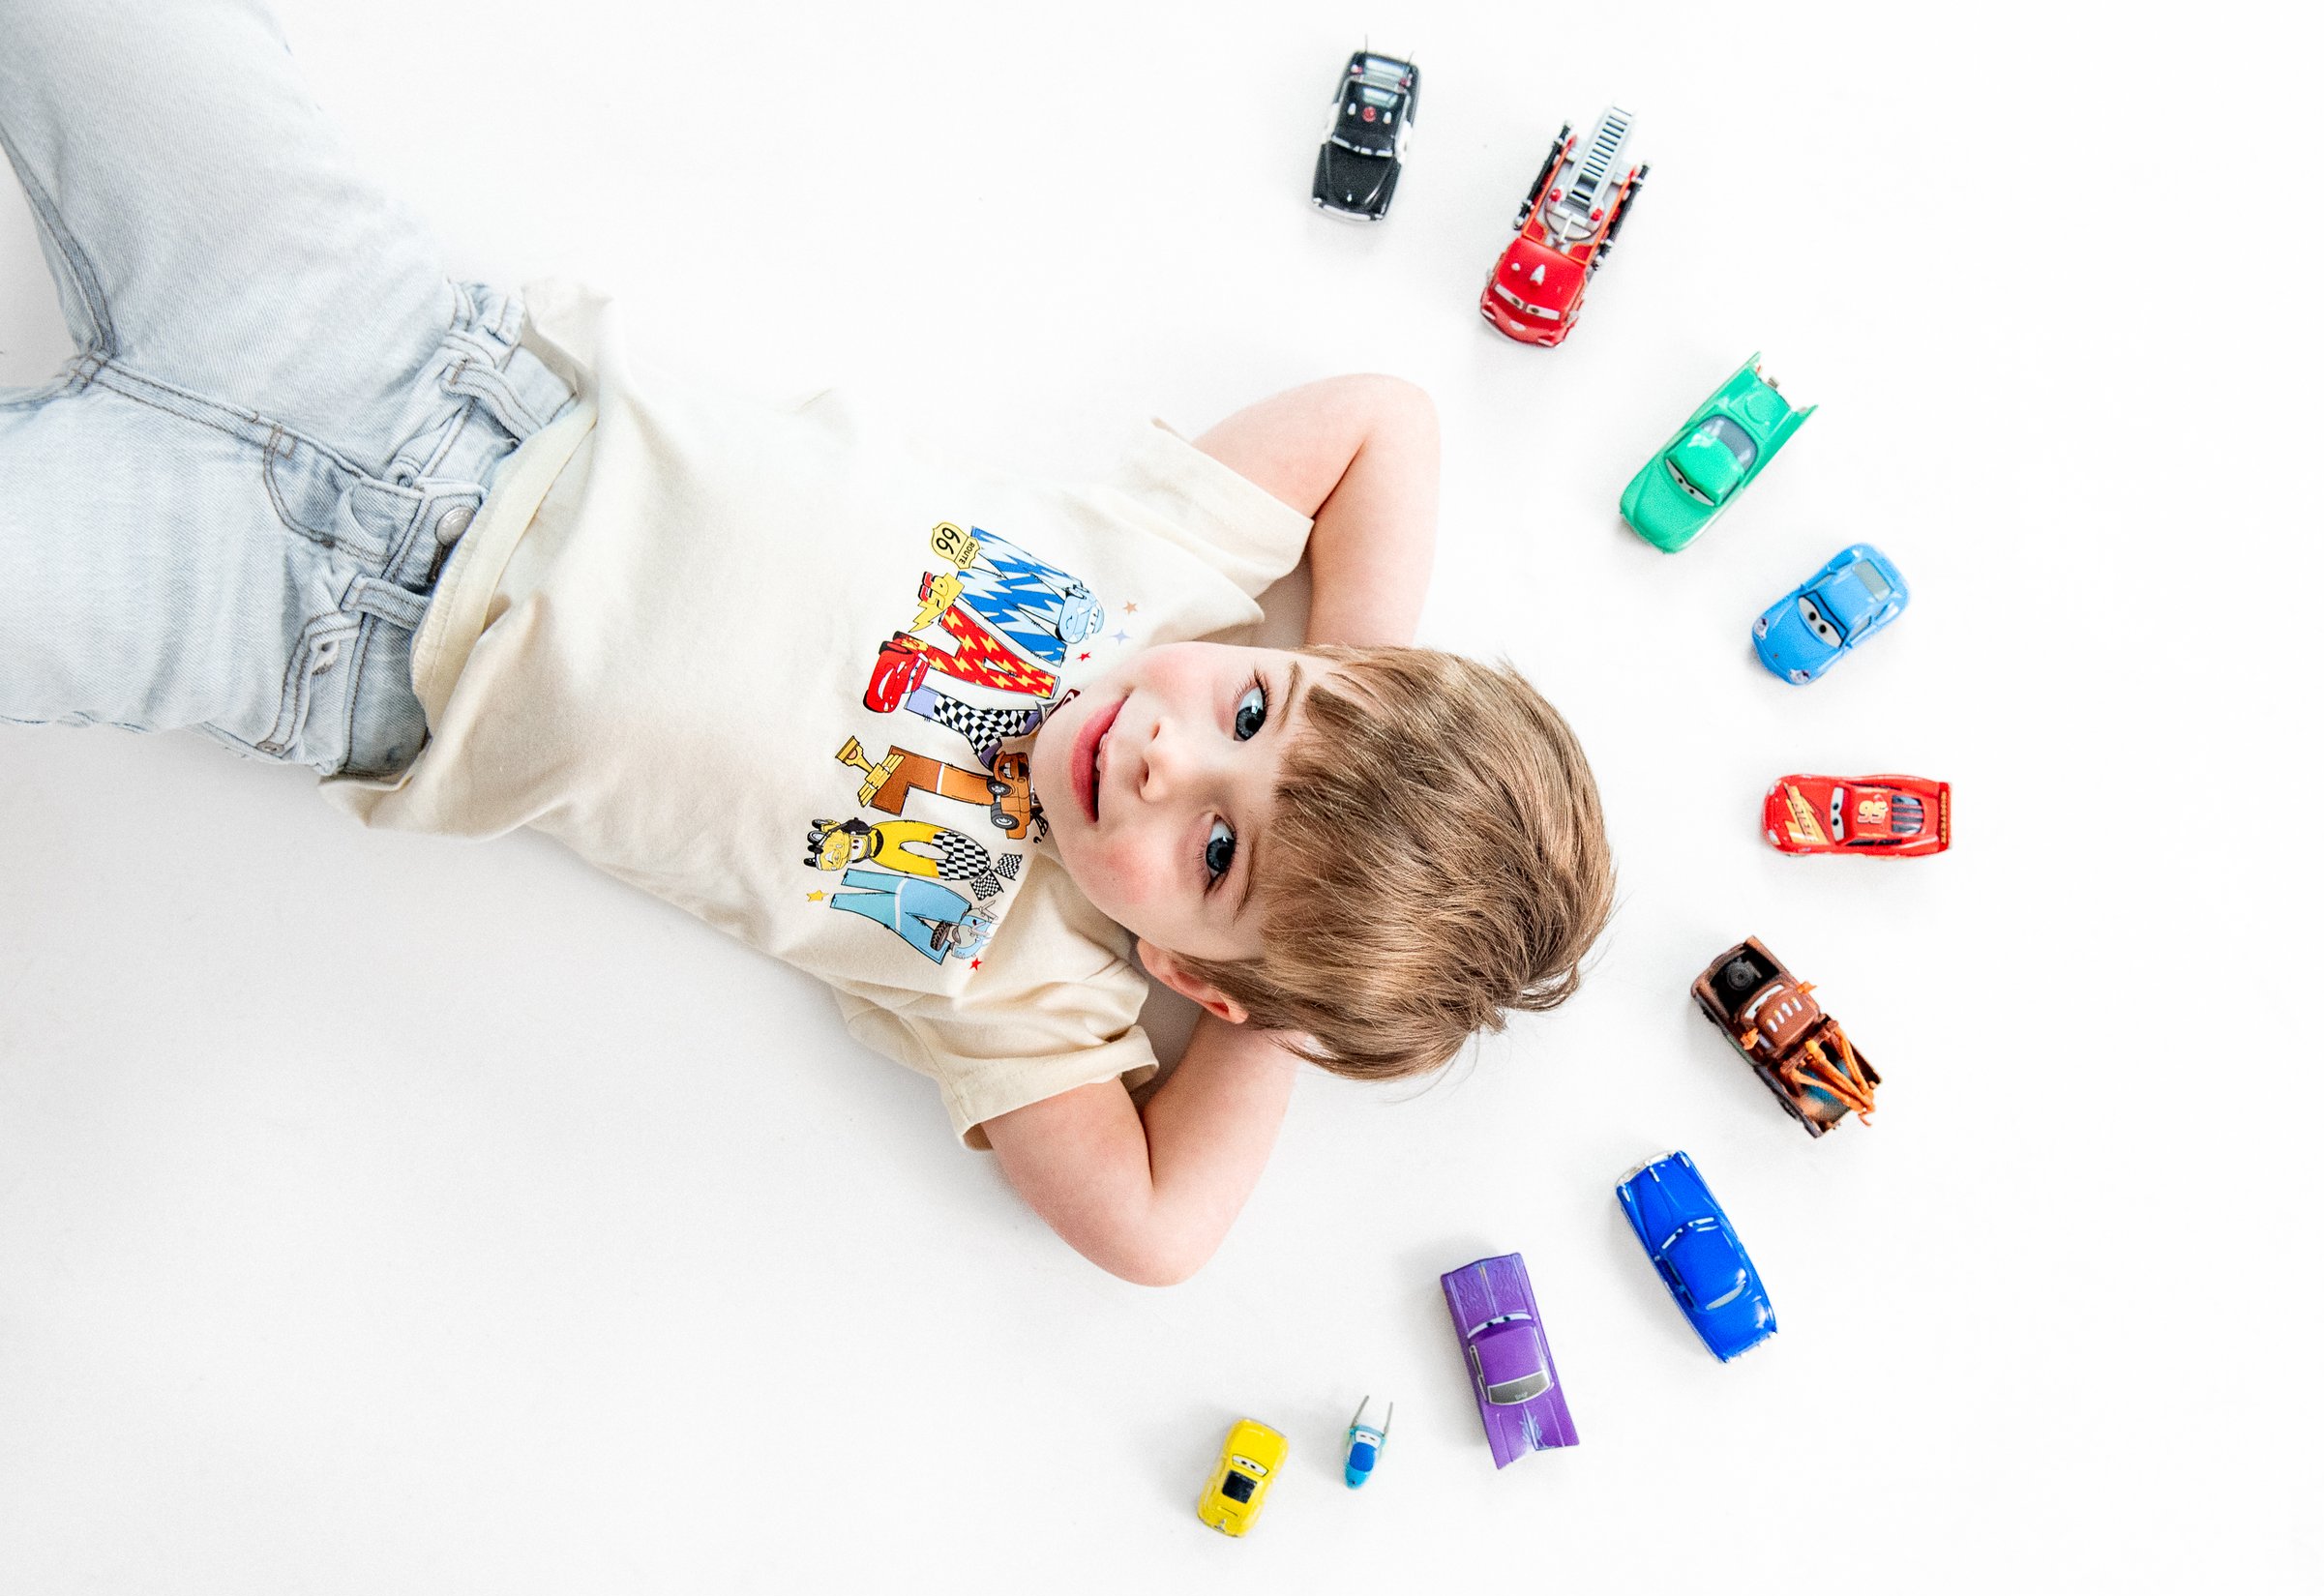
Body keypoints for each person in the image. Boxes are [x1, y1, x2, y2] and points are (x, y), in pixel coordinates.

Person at [0, 0, 1615, 1285]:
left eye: (1212, 848)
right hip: (410, 358)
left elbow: (1160, 1232)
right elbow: (1385, 426)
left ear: (1191, 970)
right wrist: (1356, 706)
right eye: (1254, 714)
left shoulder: (1026, 993)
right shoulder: (1170, 580)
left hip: (296, 630)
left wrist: (1263, 1008)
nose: (1168, 751)